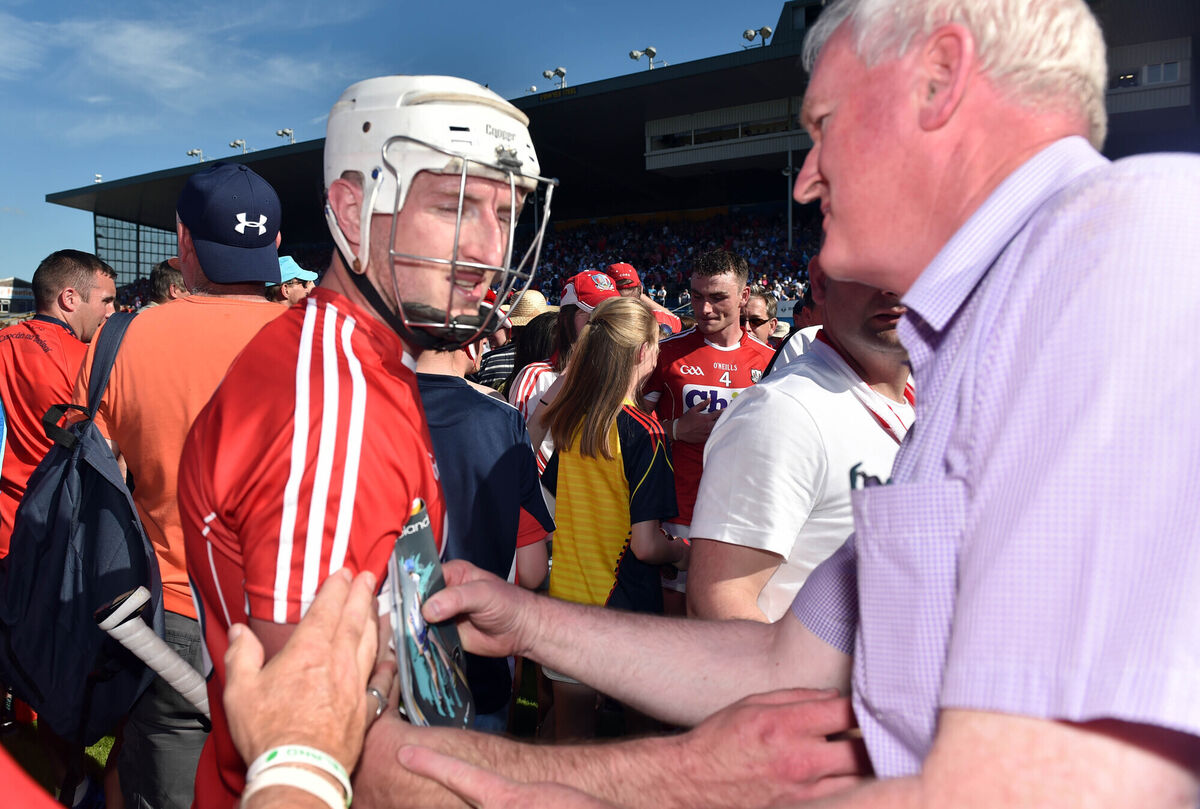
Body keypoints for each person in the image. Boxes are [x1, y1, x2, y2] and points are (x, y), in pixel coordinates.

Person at [380, 0, 1200, 806]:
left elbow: (1035, 787)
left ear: (940, 81)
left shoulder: (1125, 256)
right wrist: (528, 622)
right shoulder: (980, 346)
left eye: (826, 122)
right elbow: (780, 663)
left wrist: (606, 788)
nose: (806, 177)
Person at [179, 74, 556, 809]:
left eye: (505, 214)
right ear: (354, 209)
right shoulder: (335, 404)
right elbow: (315, 737)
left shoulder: (369, 363)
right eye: (454, 208)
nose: (488, 248)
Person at [74, 161, 288, 809]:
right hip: (297, 614)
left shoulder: (126, 338)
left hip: (174, 614)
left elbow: (98, 480)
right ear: (274, 245)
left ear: (184, 241)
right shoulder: (325, 342)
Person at [687, 264, 912, 621]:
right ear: (822, 283)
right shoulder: (780, 412)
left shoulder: (925, 404)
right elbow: (719, 603)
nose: (895, 285)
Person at [538, 296, 683, 739]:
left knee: (571, 743)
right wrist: (688, 552)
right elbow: (646, 545)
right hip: (625, 614)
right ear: (643, 352)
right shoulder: (645, 431)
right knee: (644, 744)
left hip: (565, 606)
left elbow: (550, 502)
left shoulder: (574, 422)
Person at [415, 344, 555, 730]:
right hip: (479, 656)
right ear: (471, 341)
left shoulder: (362, 406)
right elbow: (530, 569)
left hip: (389, 657)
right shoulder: (503, 422)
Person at [643, 249, 773, 610]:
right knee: (673, 628)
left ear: (744, 296)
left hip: (742, 515)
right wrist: (674, 430)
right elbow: (626, 429)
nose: (704, 310)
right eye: (697, 297)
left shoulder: (770, 362)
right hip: (678, 514)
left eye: (718, 298)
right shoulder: (664, 355)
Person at [0, 250, 115, 556]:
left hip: (8, 522)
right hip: (50, 530)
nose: (111, 312)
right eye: (105, 301)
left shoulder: (4, 340)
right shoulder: (88, 362)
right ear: (70, 298)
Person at [508, 272, 617, 472]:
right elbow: (519, 452)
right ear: (566, 318)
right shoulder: (536, 377)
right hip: (553, 499)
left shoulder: (621, 377)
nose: (606, 325)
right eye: (594, 315)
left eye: (611, 316)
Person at [604, 262, 682, 335]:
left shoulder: (599, 324)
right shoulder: (655, 319)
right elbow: (679, 323)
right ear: (641, 288)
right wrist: (640, 294)